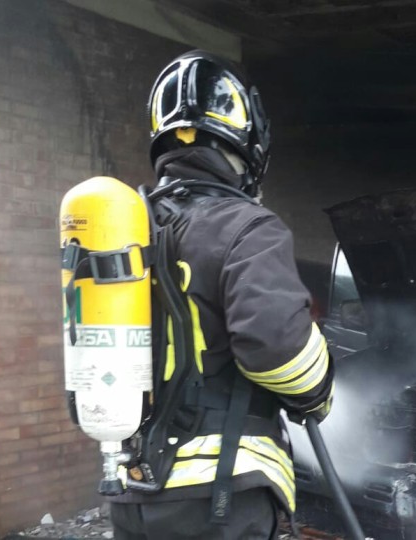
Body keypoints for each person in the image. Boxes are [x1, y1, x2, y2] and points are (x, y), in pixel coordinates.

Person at [108, 50, 334, 540]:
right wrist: (320, 389)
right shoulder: (248, 227)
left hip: (132, 490)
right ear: (250, 143)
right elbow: (278, 351)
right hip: (217, 496)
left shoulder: (126, 228)